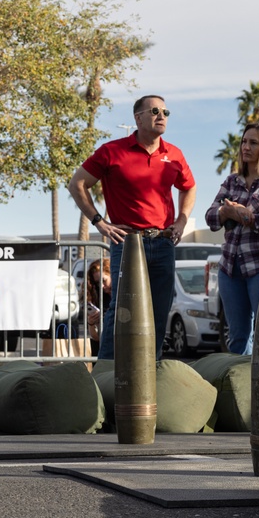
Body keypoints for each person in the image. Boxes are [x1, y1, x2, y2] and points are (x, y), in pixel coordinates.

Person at [68, 95, 197, 360]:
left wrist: (181, 220)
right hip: (128, 243)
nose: (161, 116)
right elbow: (77, 184)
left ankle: (151, 376)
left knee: (160, 312)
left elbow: (189, 187)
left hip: (163, 242)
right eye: (154, 111)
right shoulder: (111, 151)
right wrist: (99, 222)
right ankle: (105, 376)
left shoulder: (174, 154)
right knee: (121, 310)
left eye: (165, 111)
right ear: (138, 118)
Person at [204, 123, 259, 355]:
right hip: (230, 268)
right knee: (237, 336)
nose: (246, 147)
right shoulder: (232, 180)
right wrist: (225, 213)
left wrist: (244, 215)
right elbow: (210, 217)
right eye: (244, 141)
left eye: (253, 142)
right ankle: (239, 387)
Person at [82, 258, 112, 356]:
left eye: (104, 280)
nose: (102, 286)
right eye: (98, 283)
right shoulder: (101, 298)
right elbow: (96, 338)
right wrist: (91, 323)